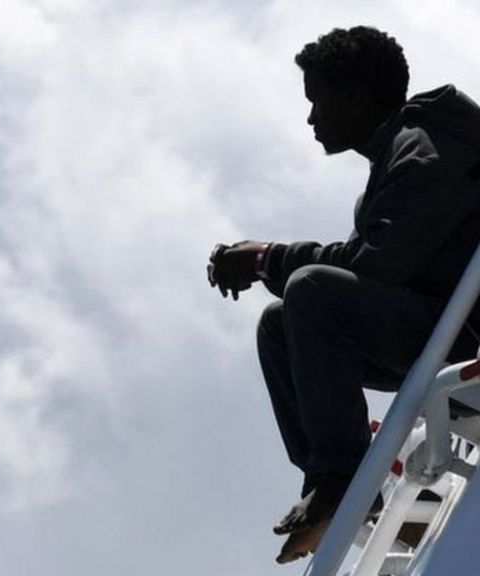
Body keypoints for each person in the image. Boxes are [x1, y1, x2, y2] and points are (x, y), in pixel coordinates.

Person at [207, 26, 480, 564]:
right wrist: (271, 264)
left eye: (318, 100)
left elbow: (378, 262)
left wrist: (266, 259)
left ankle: (340, 479)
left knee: (311, 292)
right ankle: (332, 481)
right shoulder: (399, 153)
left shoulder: (426, 144)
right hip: (437, 325)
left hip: (461, 334)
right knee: (279, 323)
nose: (311, 118)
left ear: (355, 96)